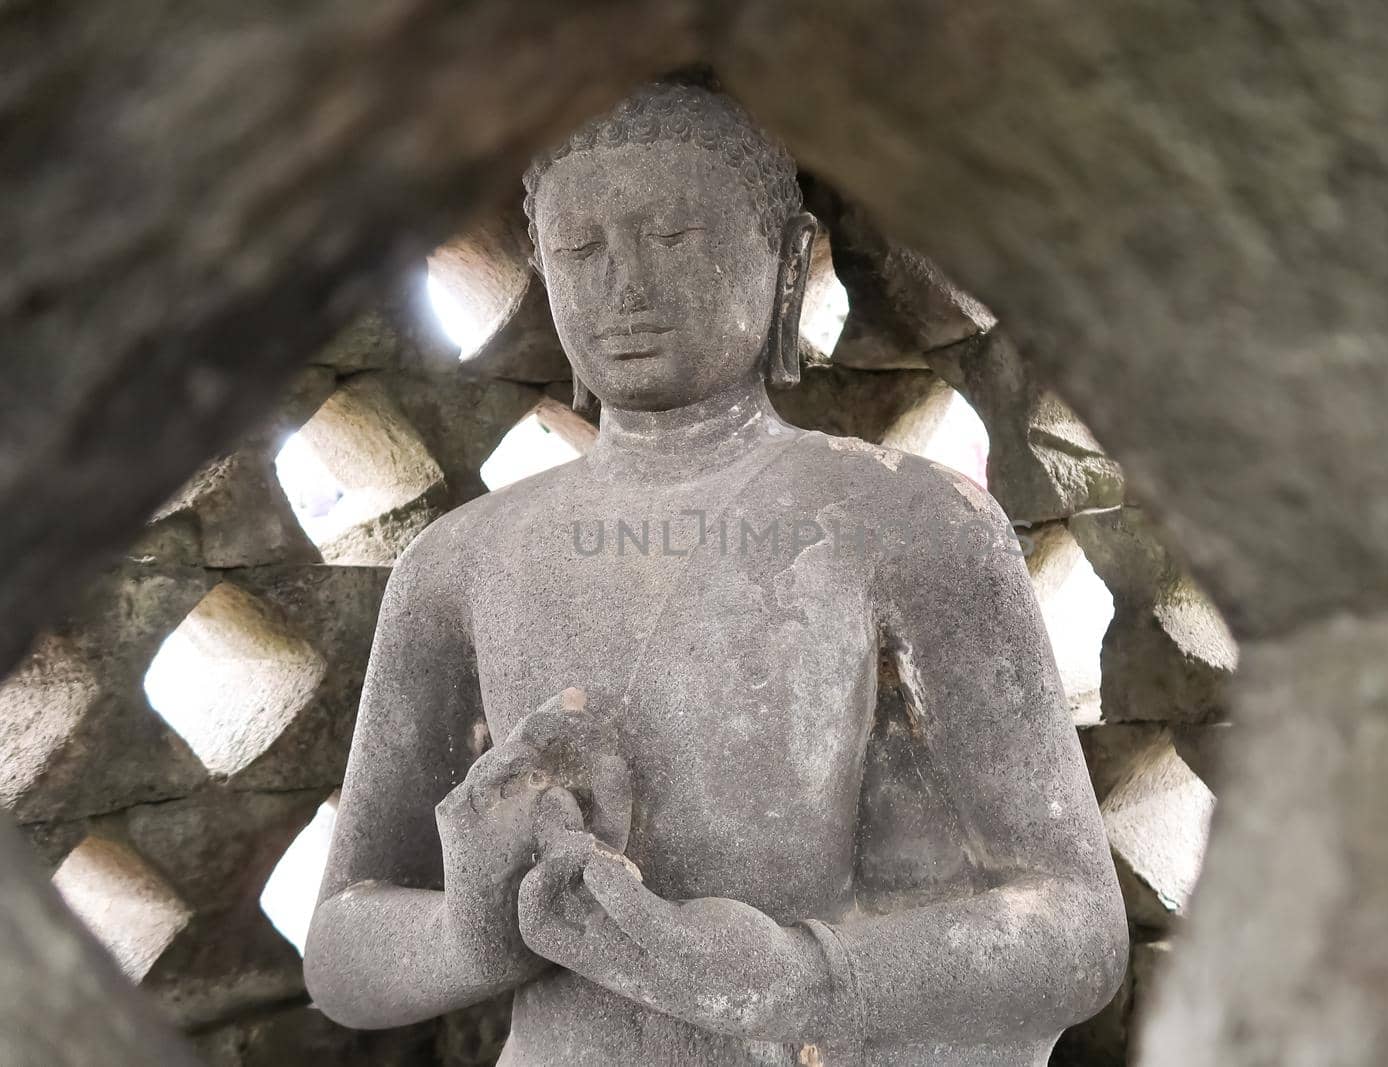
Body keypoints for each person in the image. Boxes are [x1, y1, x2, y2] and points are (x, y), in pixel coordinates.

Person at [305, 78, 1126, 1066]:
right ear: (541, 272)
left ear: (786, 263)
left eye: (674, 237)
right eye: (582, 249)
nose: (626, 288)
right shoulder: (460, 559)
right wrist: (472, 932)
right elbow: (340, 945)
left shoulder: (914, 521)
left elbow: (1077, 930)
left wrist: (793, 976)